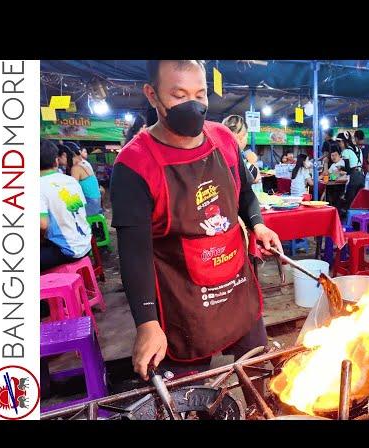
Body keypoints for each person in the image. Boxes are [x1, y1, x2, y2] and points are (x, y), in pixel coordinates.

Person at [110, 60, 282, 380]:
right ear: (152, 94)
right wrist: (147, 323)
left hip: (235, 284)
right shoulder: (134, 164)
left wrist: (257, 223)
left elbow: (245, 194)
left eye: (200, 94)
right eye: (178, 95)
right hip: (182, 297)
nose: (193, 104)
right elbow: (134, 254)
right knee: (190, 395)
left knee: (258, 376)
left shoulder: (223, 139)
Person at [40, 139, 92, 271]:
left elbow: (42, 225)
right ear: (56, 161)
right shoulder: (70, 181)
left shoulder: (37, 185)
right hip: (85, 244)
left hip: (66, 251)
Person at [66, 142, 104, 216]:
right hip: (96, 204)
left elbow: (73, 191)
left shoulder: (75, 168)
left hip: (90, 205)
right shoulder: (85, 163)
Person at [336, 131, 365, 207]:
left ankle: (347, 216)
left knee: (349, 200)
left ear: (343, 141)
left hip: (354, 177)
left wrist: (341, 169)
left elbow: (348, 169)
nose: (339, 144)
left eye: (339, 142)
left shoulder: (346, 151)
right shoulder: (358, 149)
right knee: (357, 200)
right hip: (362, 175)